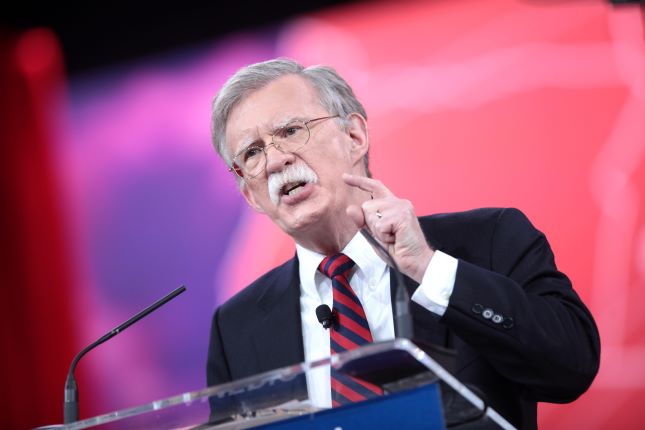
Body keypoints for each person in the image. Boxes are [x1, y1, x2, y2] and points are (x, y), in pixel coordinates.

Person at [206, 58, 600, 429]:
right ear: (250, 195)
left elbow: (571, 367)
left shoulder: (491, 239)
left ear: (354, 136)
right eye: (252, 153)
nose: (275, 161)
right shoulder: (235, 328)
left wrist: (428, 268)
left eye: (291, 131)